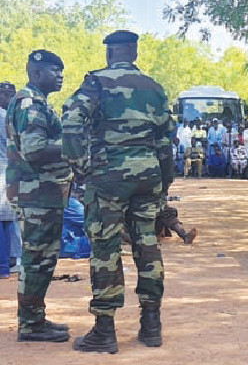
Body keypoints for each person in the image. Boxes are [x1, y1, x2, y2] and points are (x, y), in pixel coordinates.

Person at [62, 30, 173, 352]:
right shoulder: (155, 88)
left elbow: (71, 121)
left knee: (105, 248)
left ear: (110, 53)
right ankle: (151, 325)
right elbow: (166, 140)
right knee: (147, 243)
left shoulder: (97, 82)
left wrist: (80, 167)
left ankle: (104, 330)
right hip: (148, 175)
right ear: (134, 53)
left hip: (108, 175)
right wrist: (164, 180)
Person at [7, 51, 72, 342]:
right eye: (53, 70)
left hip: (42, 193)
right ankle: (31, 325)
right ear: (35, 73)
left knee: (43, 259)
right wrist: (74, 142)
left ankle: (35, 317)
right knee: (37, 259)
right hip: (36, 194)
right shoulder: (30, 103)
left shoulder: (37, 102)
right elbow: (34, 149)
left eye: (61, 70)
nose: (60, 75)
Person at [0, 82, 19, 275]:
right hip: (7, 171)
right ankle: (7, 263)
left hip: (5, 171)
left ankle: (5, 265)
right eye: (6, 95)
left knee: (5, 219)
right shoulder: (6, 117)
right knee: (6, 219)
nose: (10, 99)